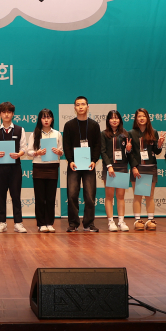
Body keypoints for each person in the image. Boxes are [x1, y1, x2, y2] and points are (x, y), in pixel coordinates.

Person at [0, 102, 29, 233]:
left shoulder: (20, 130)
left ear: (13, 114)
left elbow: (24, 148)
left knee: (16, 195)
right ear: (0, 114)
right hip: (0, 168)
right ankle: (2, 223)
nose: (6, 114)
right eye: (4, 112)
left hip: (15, 168)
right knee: (1, 195)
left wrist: (19, 154)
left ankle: (18, 223)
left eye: (9, 112)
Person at [62, 96, 102, 232]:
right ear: (75, 108)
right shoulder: (69, 125)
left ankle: (88, 223)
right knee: (72, 195)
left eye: (83, 104)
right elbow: (66, 145)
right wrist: (70, 161)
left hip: (89, 165)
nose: (80, 107)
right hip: (74, 165)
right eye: (78, 104)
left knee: (90, 196)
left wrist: (94, 160)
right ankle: (73, 223)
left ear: (87, 107)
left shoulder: (94, 125)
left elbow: (97, 145)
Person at [128, 108, 166, 231]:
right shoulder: (131, 133)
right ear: (136, 119)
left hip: (150, 167)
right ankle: (137, 220)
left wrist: (159, 144)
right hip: (137, 168)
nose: (141, 118)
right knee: (138, 195)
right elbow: (130, 153)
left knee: (150, 195)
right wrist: (134, 167)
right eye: (139, 116)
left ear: (147, 118)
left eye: (144, 116)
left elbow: (156, 151)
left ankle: (150, 220)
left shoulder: (153, 132)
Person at [27, 109, 63, 232]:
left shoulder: (57, 134)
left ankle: (49, 223)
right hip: (39, 167)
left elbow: (61, 151)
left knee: (51, 197)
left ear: (52, 119)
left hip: (53, 167)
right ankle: (41, 223)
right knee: (40, 197)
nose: (46, 120)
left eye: (48, 117)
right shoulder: (35, 134)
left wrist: (59, 152)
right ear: (40, 119)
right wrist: (36, 153)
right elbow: (29, 151)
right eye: (43, 117)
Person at [100, 110, 132, 232]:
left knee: (120, 196)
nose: (114, 120)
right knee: (109, 196)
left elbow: (129, 153)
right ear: (108, 120)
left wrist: (128, 149)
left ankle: (121, 221)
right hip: (109, 168)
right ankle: (110, 221)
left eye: (116, 118)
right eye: (112, 118)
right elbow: (102, 151)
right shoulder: (104, 134)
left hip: (122, 167)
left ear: (120, 120)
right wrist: (109, 166)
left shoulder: (125, 134)